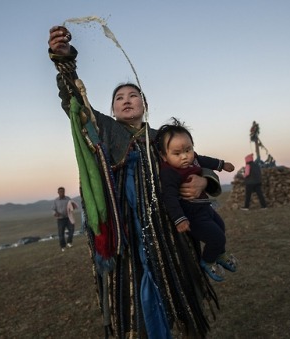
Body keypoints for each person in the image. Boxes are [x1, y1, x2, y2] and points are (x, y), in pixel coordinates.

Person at [48, 26, 223, 338]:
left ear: (144, 104)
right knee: (136, 302)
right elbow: (74, 101)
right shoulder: (106, 131)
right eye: (119, 98)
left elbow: (194, 163)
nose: (126, 100)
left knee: (184, 292)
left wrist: (202, 181)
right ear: (113, 109)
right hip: (128, 234)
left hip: (172, 228)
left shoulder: (163, 138)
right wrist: (65, 62)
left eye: (133, 96)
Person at [156, 118, 237, 282]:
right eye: (177, 154)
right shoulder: (169, 172)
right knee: (216, 238)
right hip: (192, 215)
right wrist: (179, 219)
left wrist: (222, 164)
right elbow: (169, 198)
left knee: (221, 227)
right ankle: (208, 261)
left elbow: (206, 160)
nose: (185, 157)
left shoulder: (194, 159)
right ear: (164, 156)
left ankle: (220, 255)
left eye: (188, 150)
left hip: (205, 207)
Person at [52, 187, 76, 251]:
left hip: (68, 217)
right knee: (61, 233)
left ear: (64, 191)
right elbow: (53, 209)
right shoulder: (55, 201)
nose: (62, 192)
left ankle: (69, 242)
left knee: (72, 229)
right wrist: (55, 213)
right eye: (60, 191)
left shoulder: (68, 199)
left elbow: (72, 206)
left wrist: (73, 205)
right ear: (58, 192)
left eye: (63, 191)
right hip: (60, 219)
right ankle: (63, 246)